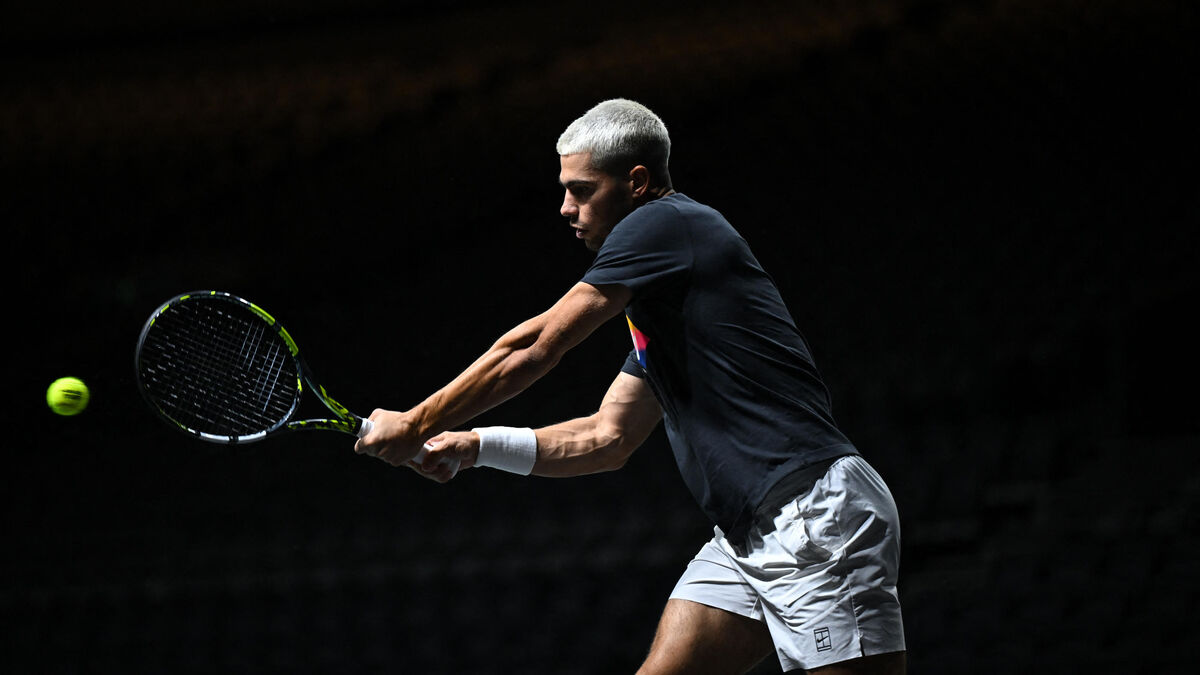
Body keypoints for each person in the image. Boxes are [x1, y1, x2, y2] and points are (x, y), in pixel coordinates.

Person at [354, 99, 906, 674]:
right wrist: (475, 446)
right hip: (748, 533)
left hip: (812, 514)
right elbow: (606, 438)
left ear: (637, 183)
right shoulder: (670, 307)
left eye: (582, 190)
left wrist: (417, 421)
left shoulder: (664, 223)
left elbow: (535, 345)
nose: (566, 208)